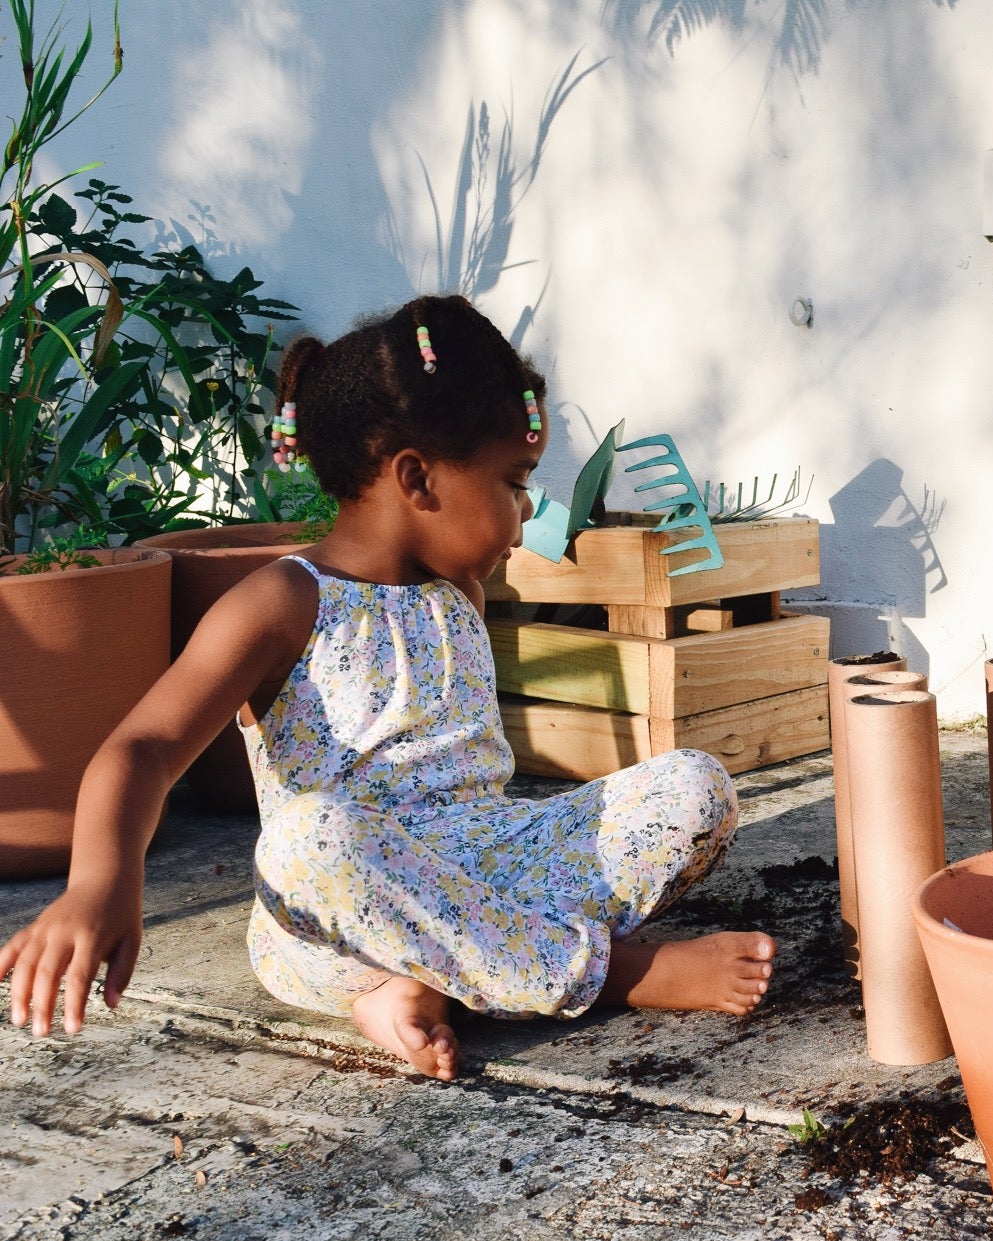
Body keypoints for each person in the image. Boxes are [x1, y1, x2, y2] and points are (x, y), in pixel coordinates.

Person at [0, 295, 776, 1078]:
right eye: (513, 483)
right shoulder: (283, 599)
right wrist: (101, 881)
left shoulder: (459, 595)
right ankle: (615, 973)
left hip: (479, 870)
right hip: (337, 915)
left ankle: (430, 983)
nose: (522, 517)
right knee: (308, 839)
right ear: (417, 478)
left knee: (695, 788)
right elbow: (145, 744)